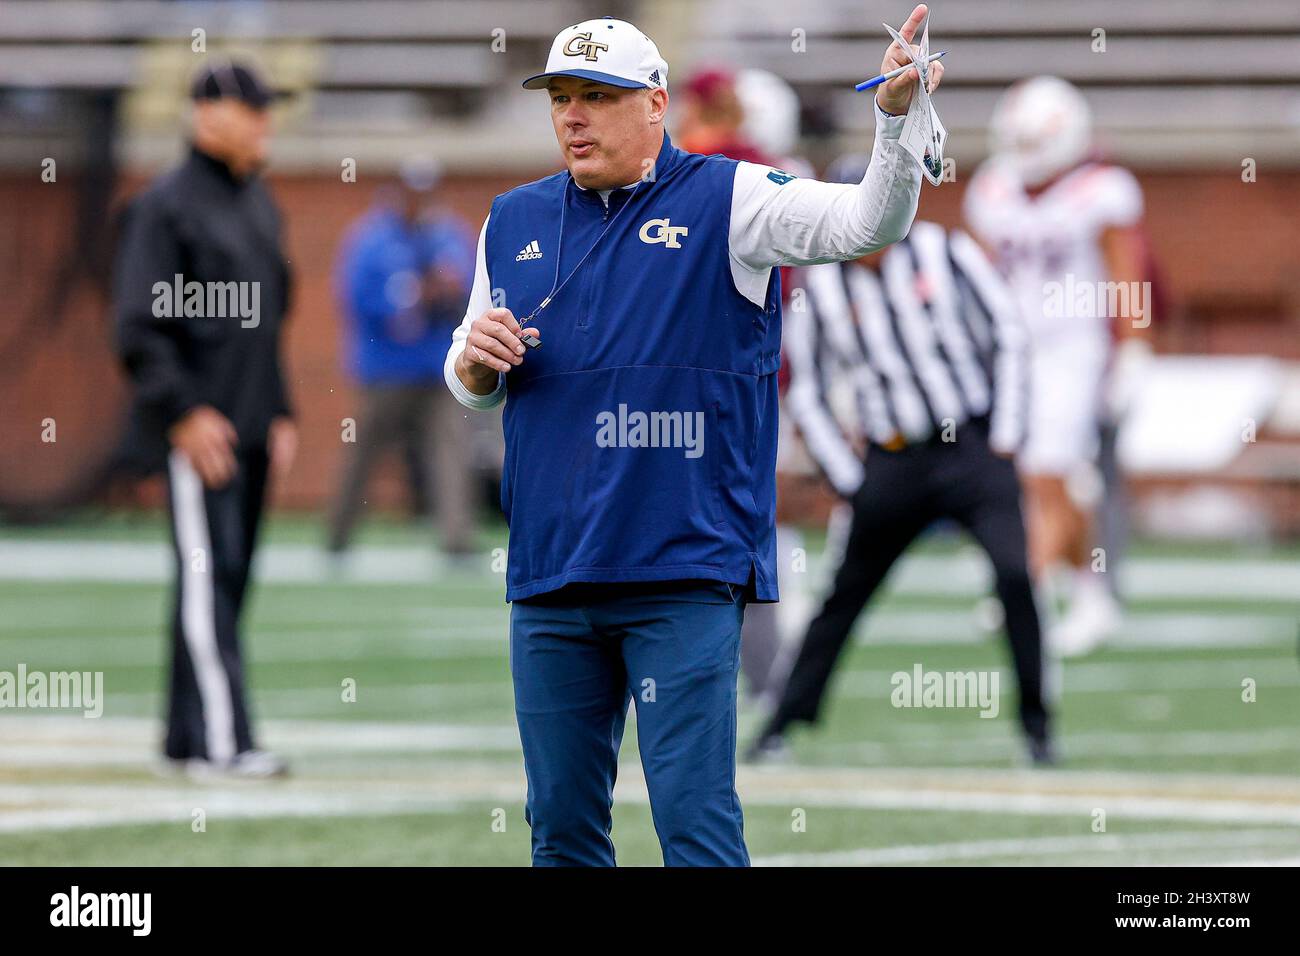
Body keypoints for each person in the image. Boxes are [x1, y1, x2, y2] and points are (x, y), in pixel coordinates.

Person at [444, 9, 943, 866]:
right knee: (560, 830)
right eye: (561, 96)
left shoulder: (731, 197)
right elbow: (467, 376)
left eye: (597, 96)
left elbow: (871, 224)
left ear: (655, 104)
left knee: (695, 826)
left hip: (683, 568)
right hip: (551, 571)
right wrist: (476, 365)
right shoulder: (513, 217)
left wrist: (896, 121)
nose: (572, 115)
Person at [743, 165, 1053, 765]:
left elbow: (1009, 334)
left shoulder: (946, 250)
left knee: (1017, 575)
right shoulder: (820, 287)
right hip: (890, 461)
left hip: (971, 448)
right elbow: (805, 388)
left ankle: (1038, 726)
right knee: (844, 596)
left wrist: (1007, 436)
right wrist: (848, 477)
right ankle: (782, 723)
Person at [115, 60, 295, 777]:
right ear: (206, 113)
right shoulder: (164, 207)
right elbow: (137, 326)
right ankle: (226, 743)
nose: (265, 124)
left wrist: (280, 409)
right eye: (252, 109)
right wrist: (183, 412)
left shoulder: (258, 202)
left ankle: (183, 737)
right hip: (198, 434)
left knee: (226, 581)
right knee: (205, 580)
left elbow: (271, 320)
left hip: (251, 427)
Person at [965, 76, 1154, 656]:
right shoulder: (993, 187)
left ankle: (1026, 580)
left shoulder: (1104, 189)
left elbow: (1127, 275)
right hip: (1015, 351)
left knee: (1046, 471)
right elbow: (979, 276)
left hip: (1075, 348)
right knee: (1037, 477)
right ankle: (1090, 594)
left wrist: (1135, 348)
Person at [327, 158, 478, 558]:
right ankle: (337, 536)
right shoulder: (370, 239)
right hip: (387, 369)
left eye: (425, 194)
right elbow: (355, 299)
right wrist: (413, 296)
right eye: (412, 194)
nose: (419, 202)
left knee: (450, 448)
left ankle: (456, 538)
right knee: (363, 451)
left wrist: (448, 290)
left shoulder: (450, 235)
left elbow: (474, 293)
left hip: (437, 366)